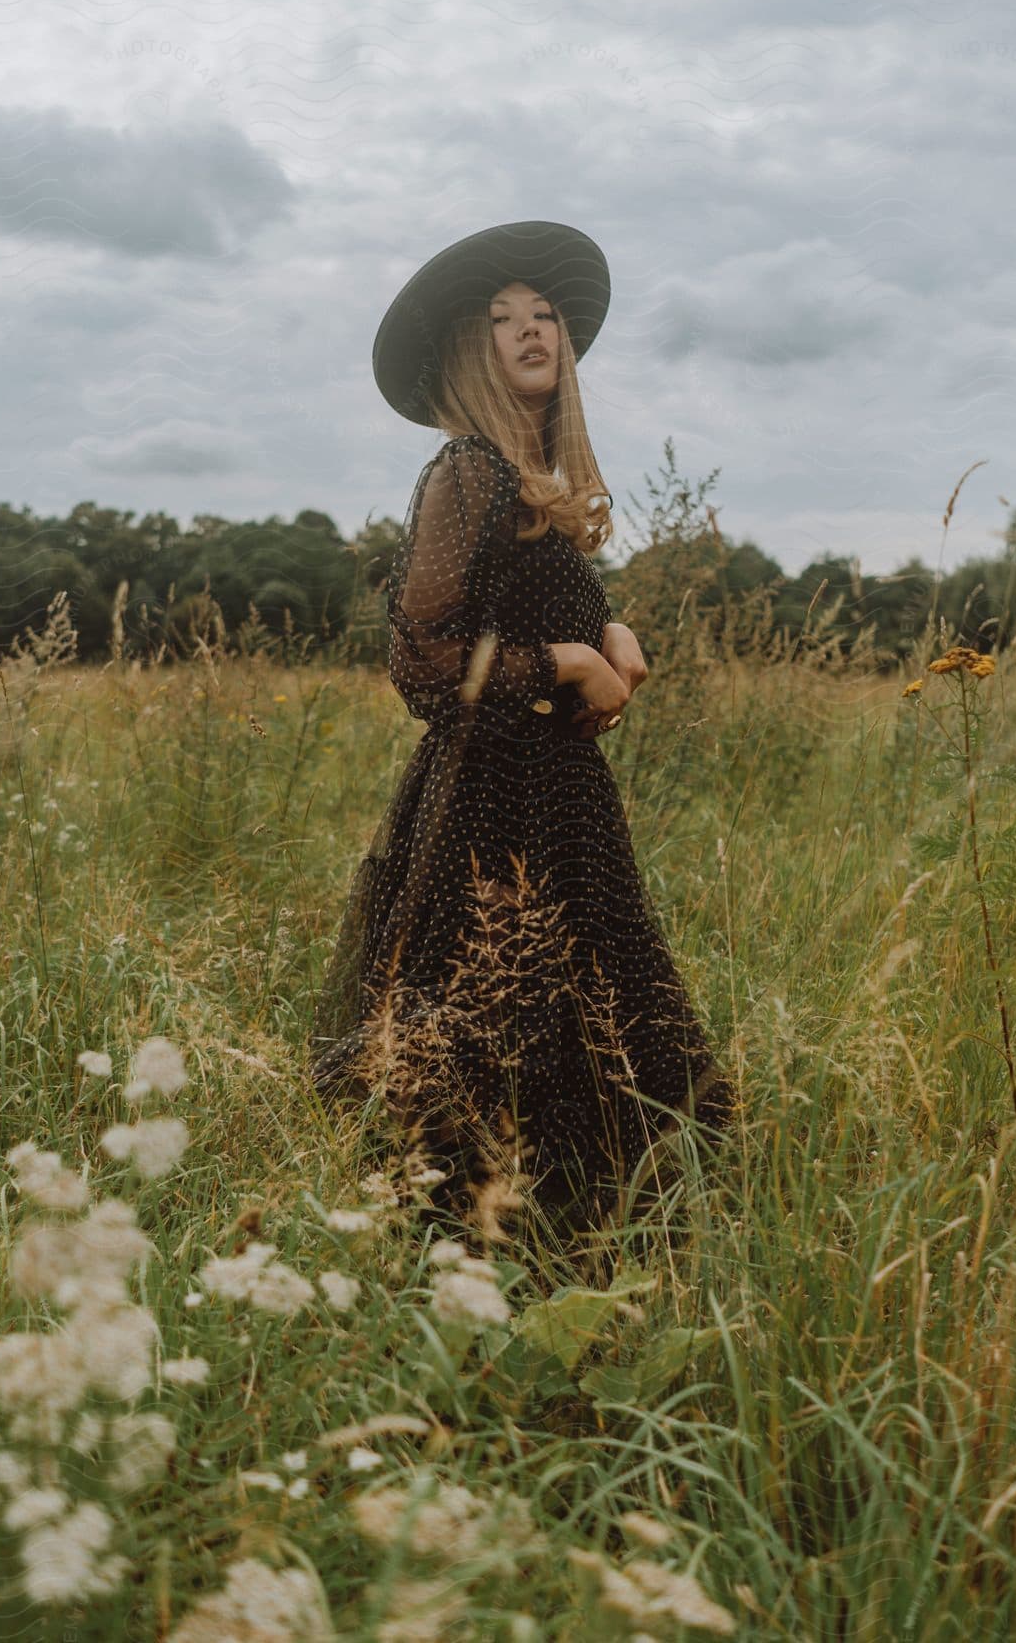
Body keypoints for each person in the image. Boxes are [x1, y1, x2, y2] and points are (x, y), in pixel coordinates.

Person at [310, 220, 731, 1234]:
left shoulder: (523, 485)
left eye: (545, 315)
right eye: (503, 321)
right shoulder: (468, 472)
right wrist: (571, 664)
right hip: (493, 798)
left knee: (569, 1019)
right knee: (494, 1026)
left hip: (554, 797)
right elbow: (424, 660)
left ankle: (571, 1236)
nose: (533, 330)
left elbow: (516, 612)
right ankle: (479, 1248)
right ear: (470, 352)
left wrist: (609, 629)